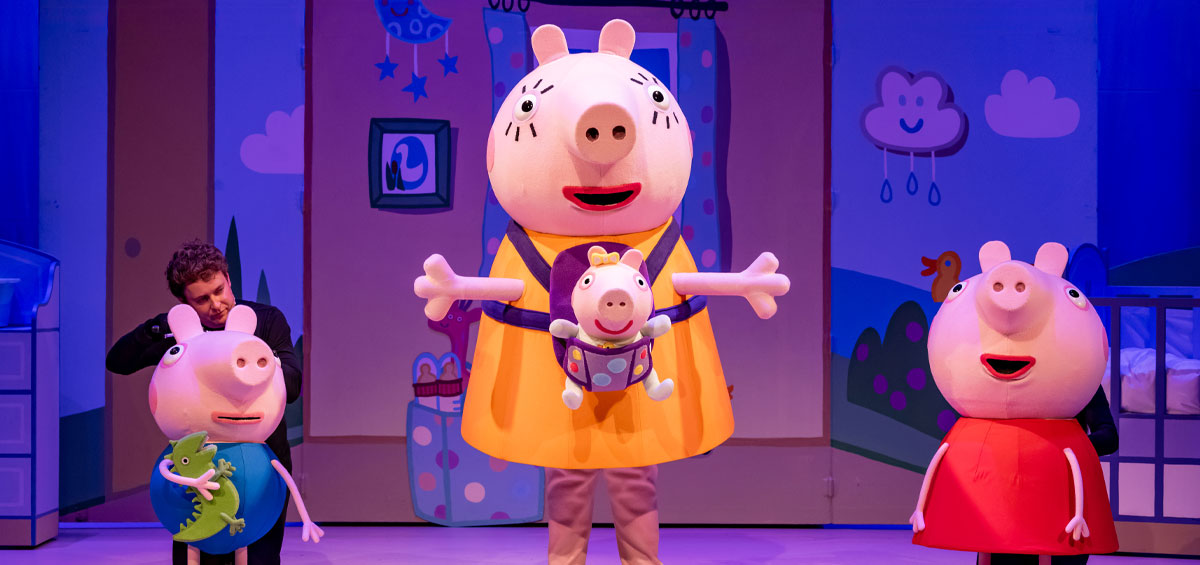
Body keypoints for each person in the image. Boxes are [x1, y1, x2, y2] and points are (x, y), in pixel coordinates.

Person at [106, 240, 301, 565]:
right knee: (198, 552)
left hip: (262, 464)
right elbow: (118, 361)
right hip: (198, 468)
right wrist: (156, 328)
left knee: (260, 558)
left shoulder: (265, 321)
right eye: (202, 299)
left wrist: (265, 362)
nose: (216, 304)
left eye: (219, 290)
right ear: (184, 303)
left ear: (228, 278)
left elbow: (293, 386)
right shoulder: (179, 333)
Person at [985, 385, 1119, 565]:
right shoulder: (1007, 381)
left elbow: (1109, 437)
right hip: (1011, 494)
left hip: (1061, 496)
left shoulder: (1081, 380)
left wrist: (1059, 448)